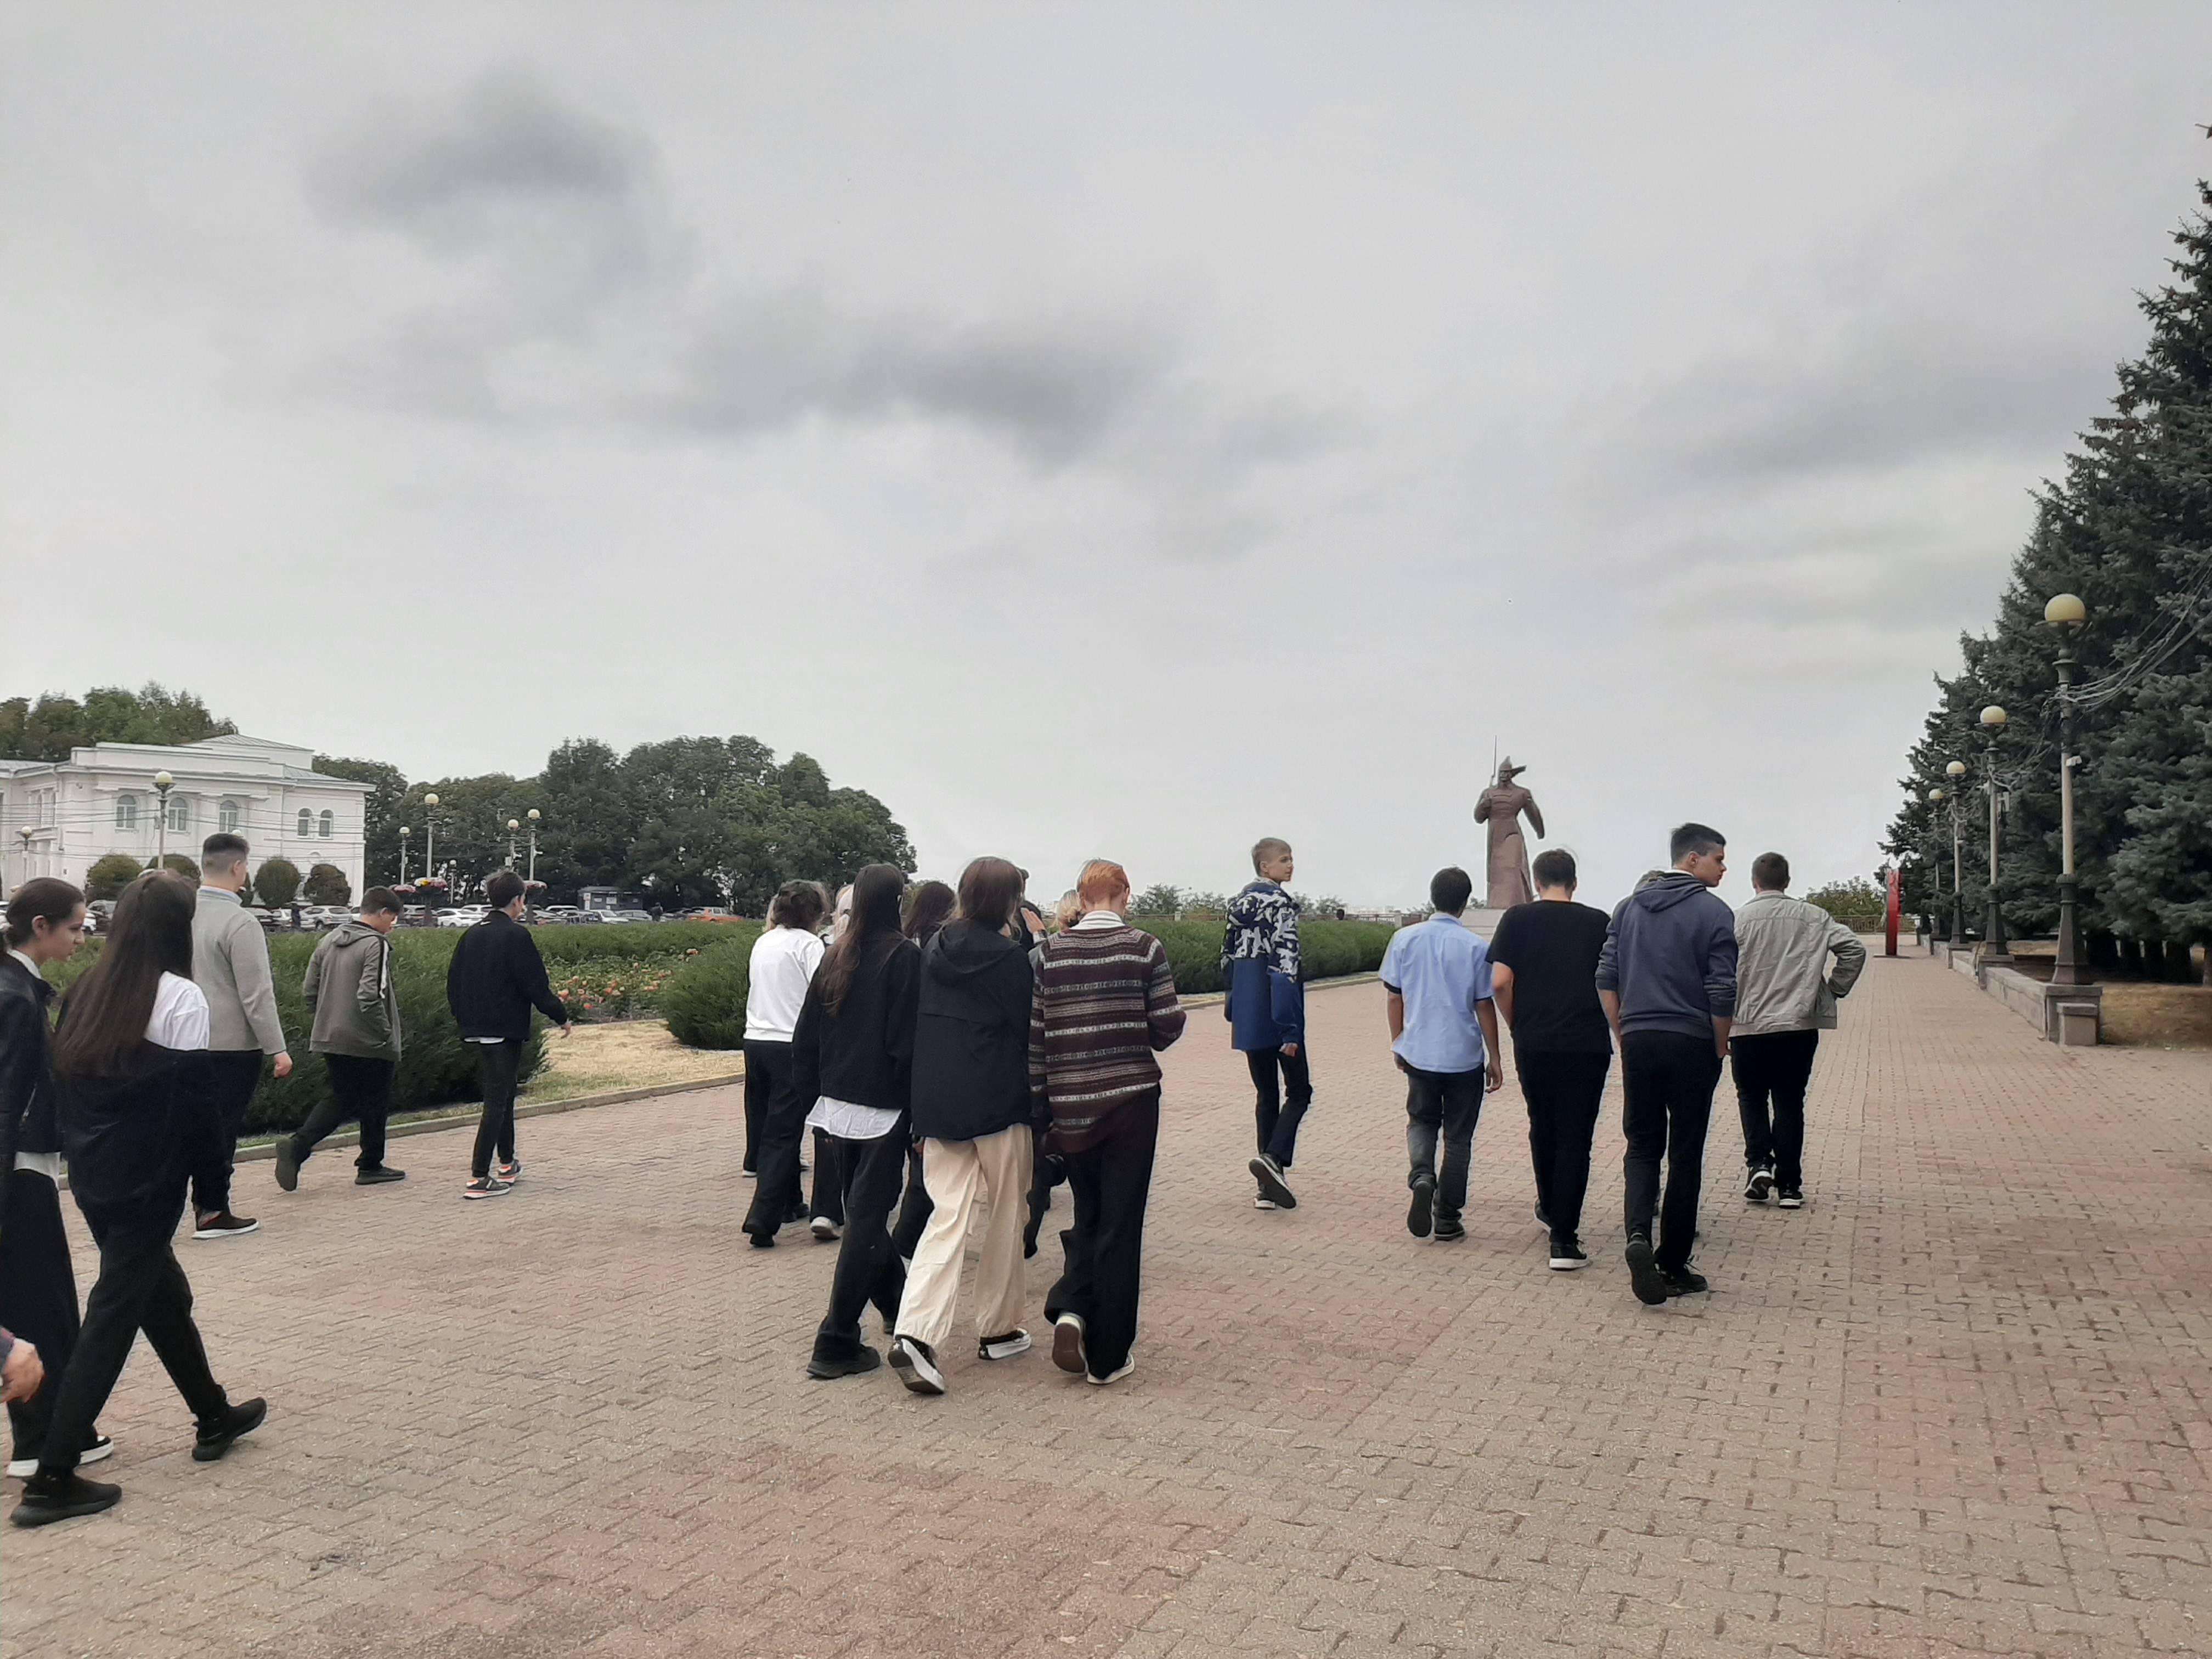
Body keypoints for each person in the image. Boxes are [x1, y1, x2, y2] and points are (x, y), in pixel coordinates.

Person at [13, 873, 264, 1528]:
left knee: (161, 1296)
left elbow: (69, 1091)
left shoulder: (88, 990)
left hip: (95, 1178)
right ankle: (52, 1476)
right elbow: (199, 1111)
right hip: (150, 1182)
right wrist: (213, 1196)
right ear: (180, 929)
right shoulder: (181, 997)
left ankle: (213, 1414)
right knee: (114, 1316)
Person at [1034, 861, 1186, 1386]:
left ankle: (1074, 1305)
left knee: (1089, 1210)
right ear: (1125, 894)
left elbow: (1036, 1038)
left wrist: (1040, 1109)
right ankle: (1108, 1356)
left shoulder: (1049, 953)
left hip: (1070, 1104)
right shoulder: (1144, 948)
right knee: (1121, 1223)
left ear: (1081, 897)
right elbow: (1165, 1028)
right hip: (1130, 1103)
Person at [888, 858, 1036, 1395]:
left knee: (946, 1217)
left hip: (939, 1101)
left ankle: (915, 1331)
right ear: (1010, 901)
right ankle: (998, 1329)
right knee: (1006, 1215)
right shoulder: (1011, 959)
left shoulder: (933, 949)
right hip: (998, 1101)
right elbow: (1024, 1033)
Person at [1595, 824, 1738, 1306]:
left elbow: (1605, 977)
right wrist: (1720, 1043)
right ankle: (1673, 1264)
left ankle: (1637, 1233)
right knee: (1685, 1151)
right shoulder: (1715, 912)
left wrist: (1623, 1031)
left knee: (1641, 1145)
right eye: (1719, 858)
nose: (1724, 867)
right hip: (1692, 1040)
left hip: (1639, 1037)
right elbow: (1722, 989)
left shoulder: (1628, 908)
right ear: (1693, 859)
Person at [0, 879, 114, 1480]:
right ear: (41, 926)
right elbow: (8, 1102)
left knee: (39, 1303)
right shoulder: (16, 998)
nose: (81, 937)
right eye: (75, 927)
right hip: (20, 1172)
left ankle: (57, 1432)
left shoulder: (18, 988)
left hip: (24, 1166)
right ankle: (41, 1442)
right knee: (40, 1306)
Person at [794, 864, 919, 1379]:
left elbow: (806, 1036)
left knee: (863, 1214)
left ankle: (897, 1305)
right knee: (866, 1221)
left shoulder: (835, 954)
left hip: (836, 1103)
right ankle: (836, 1339)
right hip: (885, 1107)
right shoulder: (903, 957)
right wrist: (919, 1111)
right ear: (897, 901)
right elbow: (906, 1044)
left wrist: (809, 1098)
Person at [1487, 848, 1615, 1271]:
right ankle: (1564, 1239)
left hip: (1534, 1041)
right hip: (1587, 1043)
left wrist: (1516, 1023)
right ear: (1574, 883)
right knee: (1576, 1136)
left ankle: (1547, 1206)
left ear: (1537, 883)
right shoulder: (1598, 922)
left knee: (1542, 1126)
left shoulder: (1517, 919)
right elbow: (1613, 983)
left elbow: (1499, 982)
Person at [1729, 852, 1866, 1210]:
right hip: (1798, 1023)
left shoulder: (1737, 920)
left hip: (1748, 1024)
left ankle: (1759, 1164)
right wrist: (1834, 989)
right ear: (1787, 882)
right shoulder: (1814, 916)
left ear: (1754, 882)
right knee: (1790, 1101)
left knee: (1751, 1097)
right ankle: (1790, 1186)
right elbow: (1853, 948)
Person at [1378, 868, 1503, 1243]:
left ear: (1433, 897)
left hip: (1419, 1051)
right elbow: (1484, 1005)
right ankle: (1447, 1217)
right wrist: (1495, 1057)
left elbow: (1394, 997)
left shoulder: (1404, 939)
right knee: (1459, 1138)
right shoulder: (1476, 947)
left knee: (1421, 1121)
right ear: (1465, 903)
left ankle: (1421, 1175)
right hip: (1463, 1056)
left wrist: (1399, 1041)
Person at [189, 833, 292, 1240]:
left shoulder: (180, 915)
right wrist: (277, 1048)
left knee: (188, 1128)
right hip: (231, 1044)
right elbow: (256, 994)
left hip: (182, 1039)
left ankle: (185, 1205)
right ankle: (213, 1209)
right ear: (237, 868)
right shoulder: (240, 922)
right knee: (221, 1129)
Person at [446, 870, 572, 1199]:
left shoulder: (471, 934)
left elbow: (454, 982)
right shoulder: (516, 936)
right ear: (518, 900)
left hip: (476, 1028)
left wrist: (464, 1018)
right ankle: (478, 1177)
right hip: (503, 1029)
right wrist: (561, 1016)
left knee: (504, 1095)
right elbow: (535, 985)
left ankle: (507, 1162)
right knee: (497, 1101)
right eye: (523, 900)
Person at [280, 889, 408, 1191]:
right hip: (369, 1038)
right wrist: (385, 1032)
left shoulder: (329, 940)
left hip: (330, 1034)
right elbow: (370, 995)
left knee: (342, 1096)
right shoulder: (376, 944)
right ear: (383, 913)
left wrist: (325, 1019)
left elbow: (309, 990)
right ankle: (369, 1163)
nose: (392, 926)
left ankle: (300, 1146)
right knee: (375, 1099)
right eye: (392, 919)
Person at [1223, 838, 1307, 1210]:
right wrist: (1290, 1027)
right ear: (1265, 867)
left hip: (1249, 1013)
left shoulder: (1235, 907)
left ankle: (1267, 1187)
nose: (1291, 865)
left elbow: (1226, 961)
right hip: (1278, 1012)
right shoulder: (1282, 906)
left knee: (1266, 1094)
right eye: (1284, 860)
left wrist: (1235, 1008)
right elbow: (1285, 967)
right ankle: (1272, 1159)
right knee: (1300, 1091)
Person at [742, 880, 827, 1194]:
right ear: (815, 913)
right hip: (789, 1041)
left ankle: (790, 1198)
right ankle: (769, 1205)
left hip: (755, 1038)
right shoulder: (809, 945)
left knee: (764, 1119)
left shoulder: (763, 942)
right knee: (785, 1129)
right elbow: (822, 992)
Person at [888, 880, 957, 1263]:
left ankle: (907, 1237)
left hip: (900, 1061)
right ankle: (907, 1240)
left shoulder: (904, 941)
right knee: (925, 1160)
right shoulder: (938, 947)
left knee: (914, 1156)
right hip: (927, 1057)